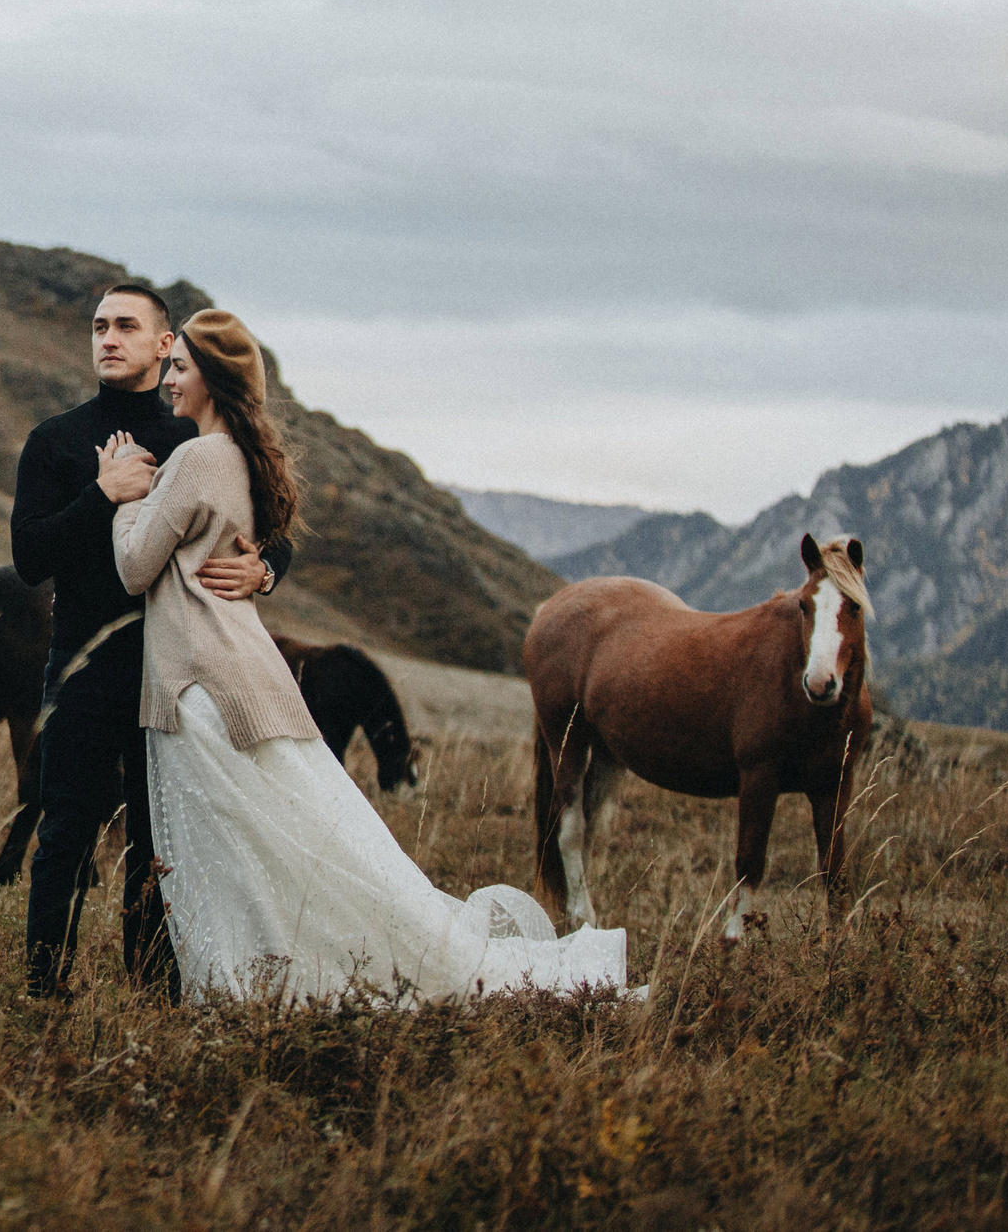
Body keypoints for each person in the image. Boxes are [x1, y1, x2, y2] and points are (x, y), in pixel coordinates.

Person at [114, 309, 628, 1000]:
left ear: (214, 378)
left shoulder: (197, 457)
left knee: (232, 848)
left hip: (200, 688)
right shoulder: (238, 456)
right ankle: (280, 976)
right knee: (291, 846)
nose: (168, 378)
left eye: (180, 367)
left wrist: (124, 494)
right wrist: (262, 569)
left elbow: (133, 567)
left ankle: (251, 983)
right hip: (242, 676)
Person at [13, 284, 291, 1002]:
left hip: (172, 673)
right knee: (64, 829)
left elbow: (271, 522)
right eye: (99, 325)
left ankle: (153, 987)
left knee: (159, 837)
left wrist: (266, 567)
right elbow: (28, 556)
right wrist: (101, 494)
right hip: (79, 664)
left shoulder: (192, 441)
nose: (109, 337)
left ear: (165, 344)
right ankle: (43, 988)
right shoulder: (55, 440)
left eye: (127, 326)